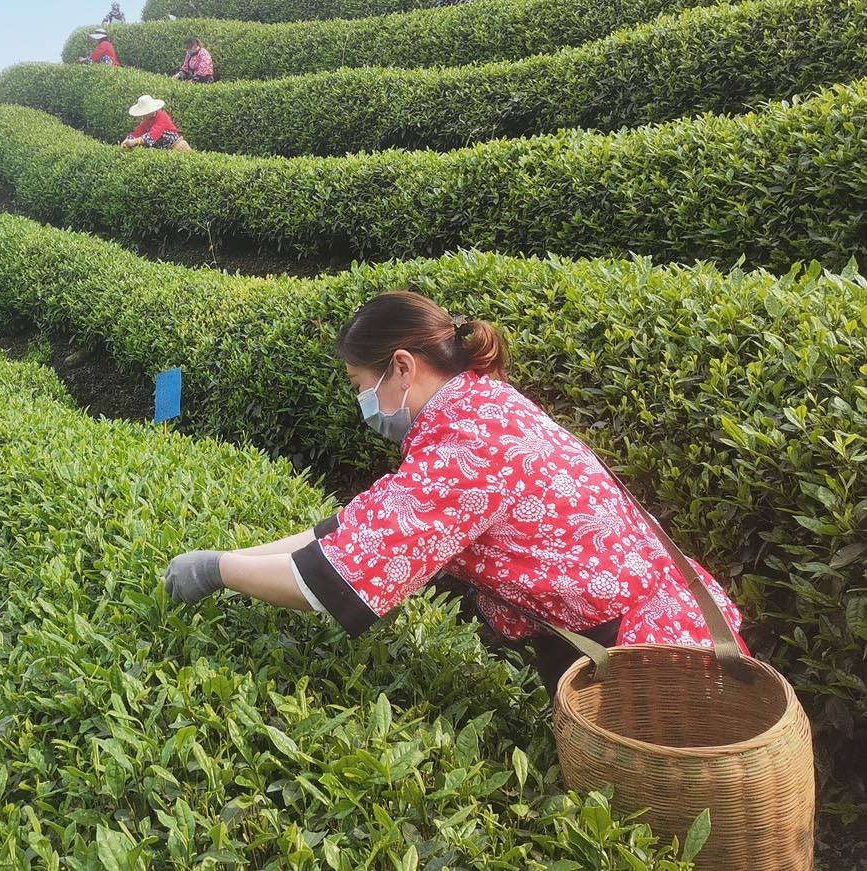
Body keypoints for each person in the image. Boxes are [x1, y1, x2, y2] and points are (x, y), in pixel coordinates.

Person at [160, 292, 747, 695]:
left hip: (648, 656)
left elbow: (335, 580)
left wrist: (218, 570)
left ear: (401, 366)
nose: (363, 401)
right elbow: (345, 534)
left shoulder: (466, 445)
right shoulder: (476, 406)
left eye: (362, 386)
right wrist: (240, 557)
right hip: (631, 629)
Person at [122, 95, 193, 151]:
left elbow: (153, 135)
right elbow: (138, 132)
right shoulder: (146, 120)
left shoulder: (162, 116)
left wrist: (134, 141)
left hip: (175, 145)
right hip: (163, 149)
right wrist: (127, 140)